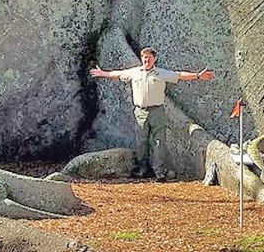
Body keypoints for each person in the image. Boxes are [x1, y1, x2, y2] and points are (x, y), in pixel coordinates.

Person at [90, 47, 215, 180]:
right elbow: (118, 74)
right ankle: (141, 169)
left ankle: (159, 172)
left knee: (159, 141)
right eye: (144, 57)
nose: (146, 60)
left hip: (157, 111)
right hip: (140, 111)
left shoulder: (160, 73)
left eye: (149, 58)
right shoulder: (135, 72)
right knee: (141, 141)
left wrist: (197, 76)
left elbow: (179, 75)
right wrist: (103, 73)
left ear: (154, 59)